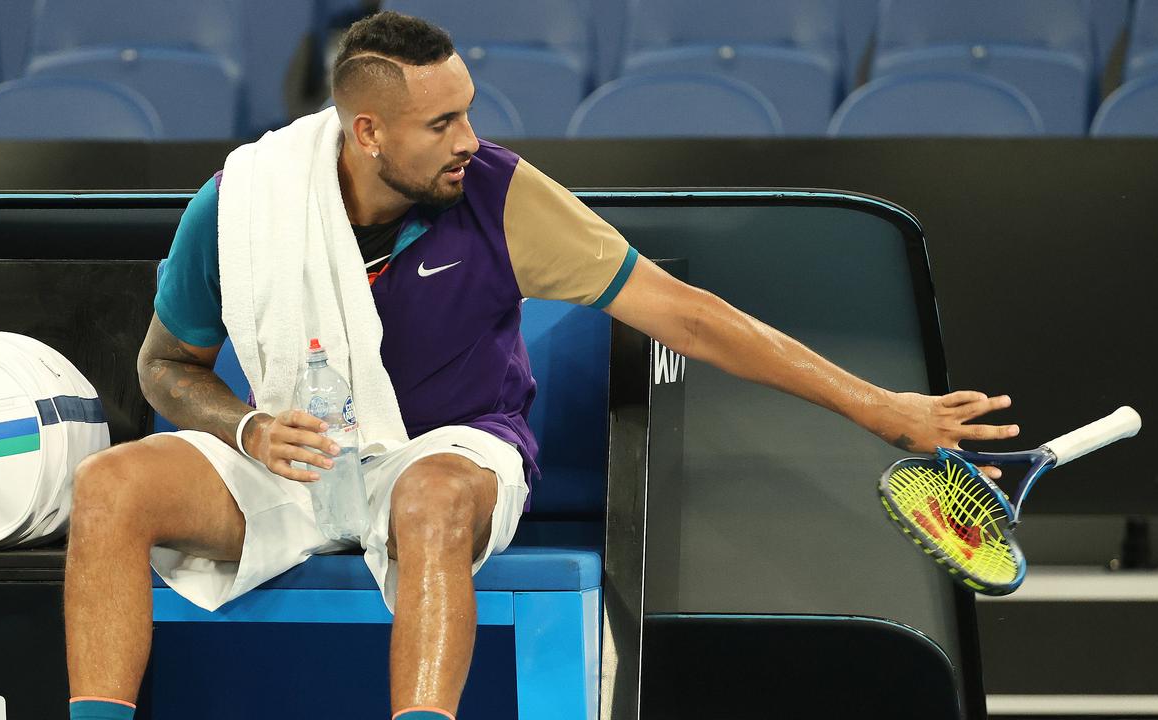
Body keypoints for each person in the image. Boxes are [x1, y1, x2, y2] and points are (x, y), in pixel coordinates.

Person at [62, 11, 1018, 720]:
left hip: (454, 451)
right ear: (367, 133)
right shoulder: (243, 204)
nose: (468, 139)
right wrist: (246, 426)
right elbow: (165, 367)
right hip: (295, 452)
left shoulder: (500, 194)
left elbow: (687, 315)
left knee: (428, 499)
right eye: (441, 123)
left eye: (468, 112)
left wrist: (883, 408)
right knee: (108, 484)